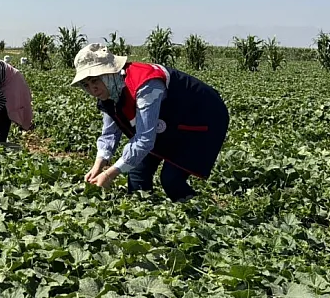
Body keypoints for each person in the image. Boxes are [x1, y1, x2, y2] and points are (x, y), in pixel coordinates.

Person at [73, 43, 229, 202]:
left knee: (171, 179)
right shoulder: (109, 94)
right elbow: (110, 133)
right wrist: (98, 165)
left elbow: (144, 140)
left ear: (109, 73)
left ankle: (202, 216)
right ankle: (144, 214)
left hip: (200, 120)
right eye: (87, 85)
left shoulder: (145, 84)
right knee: (137, 174)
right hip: (165, 122)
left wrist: (109, 174)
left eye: (96, 81)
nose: (93, 89)